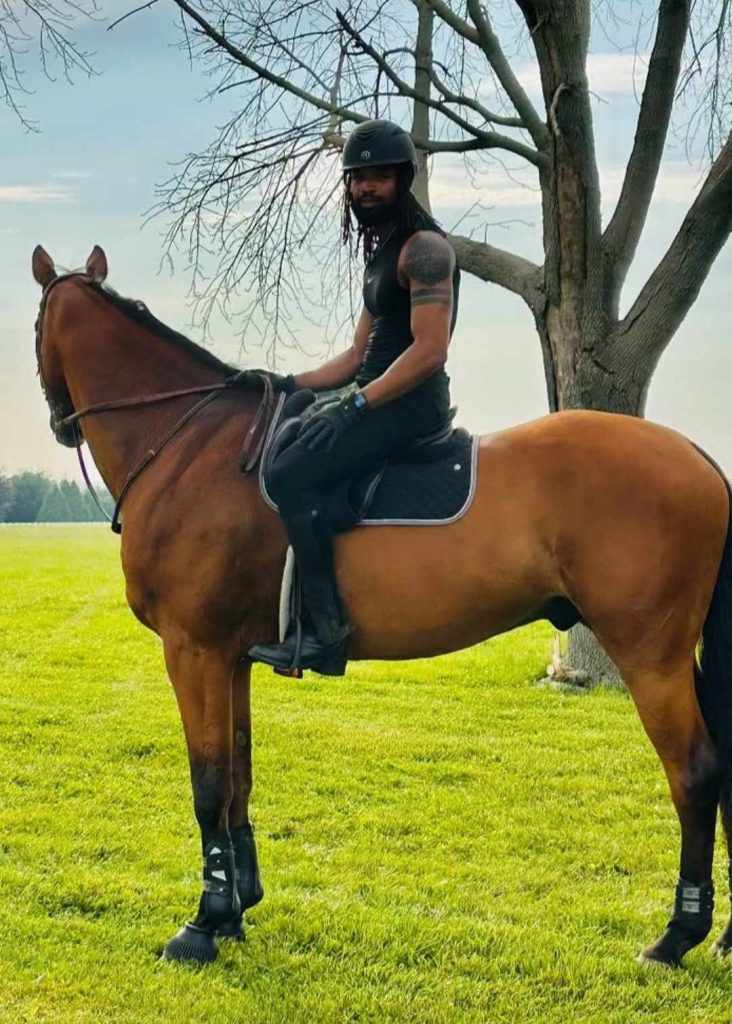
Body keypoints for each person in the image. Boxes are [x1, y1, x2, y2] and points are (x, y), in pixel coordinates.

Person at [249, 118, 460, 676]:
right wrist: (288, 383)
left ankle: (325, 632)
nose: (364, 188)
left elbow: (428, 351)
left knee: (291, 473)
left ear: (403, 179)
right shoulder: (381, 255)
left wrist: (355, 406)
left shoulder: (426, 249)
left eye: (378, 177)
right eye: (356, 178)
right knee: (293, 438)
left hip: (411, 404)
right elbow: (354, 357)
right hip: (376, 397)